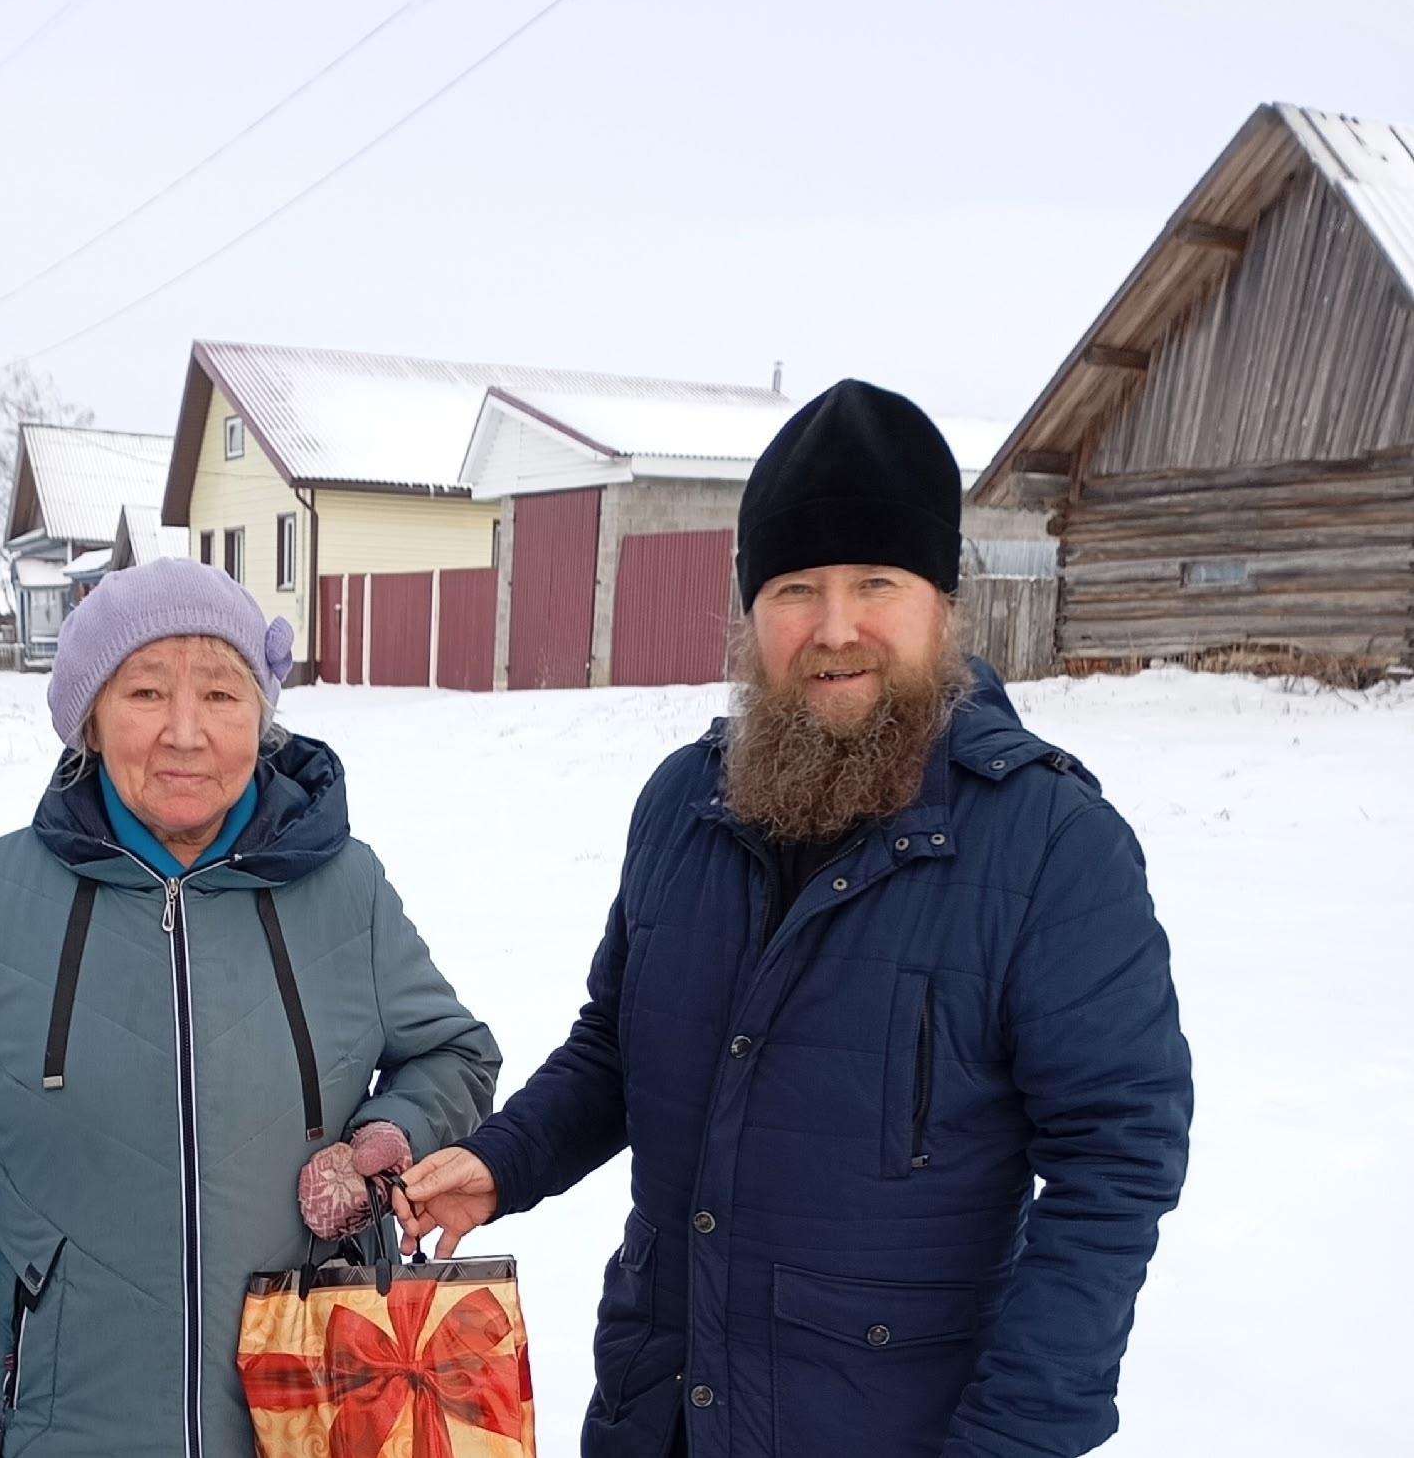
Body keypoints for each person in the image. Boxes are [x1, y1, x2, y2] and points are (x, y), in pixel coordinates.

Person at [396, 380, 1193, 1458]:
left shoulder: (1049, 842)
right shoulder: (685, 801)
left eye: (875, 581)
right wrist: (505, 1157)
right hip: (661, 1406)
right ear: (750, 614)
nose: (833, 627)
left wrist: (1016, 1436)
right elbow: (615, 1046)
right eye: (794, 588)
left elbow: (1114, 1166)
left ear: (940, 606)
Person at [0, 558, 500, 1458]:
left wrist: (388, 1137)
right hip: (71, 1417)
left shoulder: (344, 887)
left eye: (222, 694)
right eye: (146, 692)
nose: (185, 732)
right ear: (90, 715)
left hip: (314, 1406)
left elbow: (453, 1054)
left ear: (262, 719)